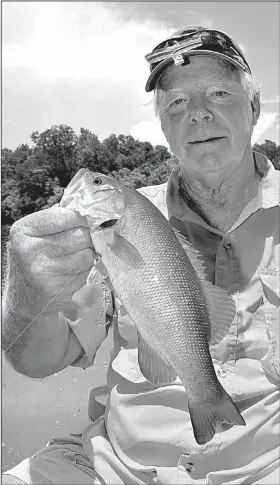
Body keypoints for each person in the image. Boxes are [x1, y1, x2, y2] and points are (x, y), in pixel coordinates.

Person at [2, 25, 279, 485]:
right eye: (176, 103)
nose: (198, 114)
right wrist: (30, 290)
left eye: (217, 93)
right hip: (112, 466)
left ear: (253, 108)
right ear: (164, 127)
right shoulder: (114, 225)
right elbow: (34, 361)